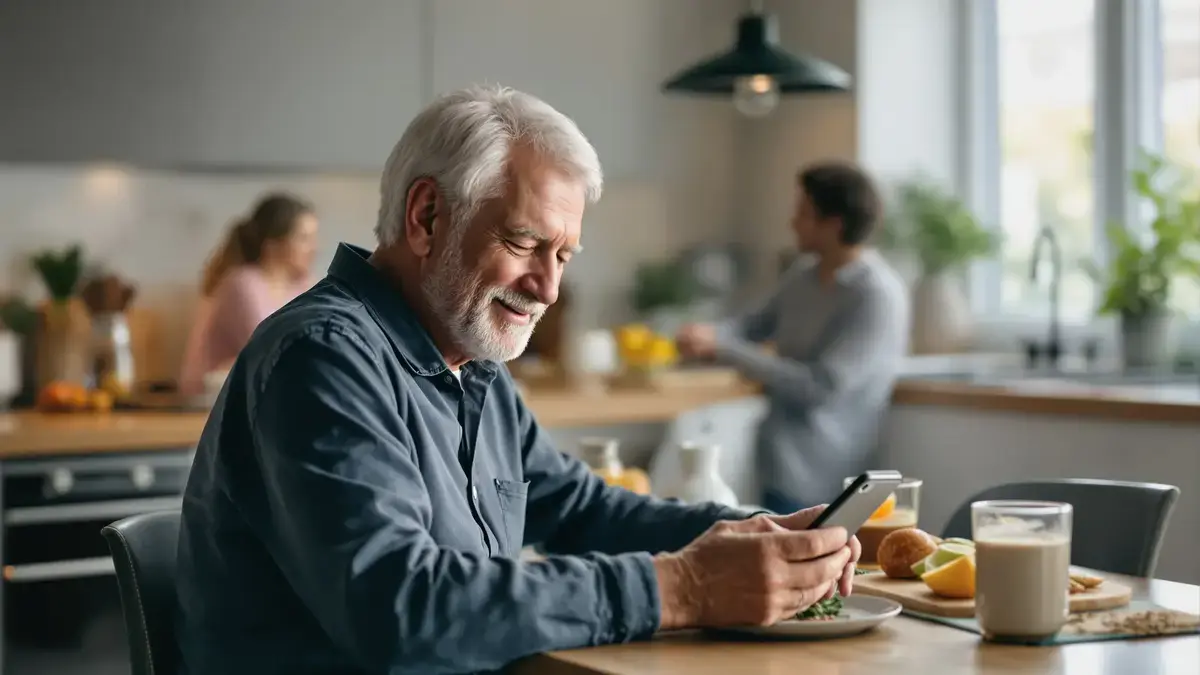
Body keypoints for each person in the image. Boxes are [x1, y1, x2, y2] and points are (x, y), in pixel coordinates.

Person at [174, 86, 861, 675]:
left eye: (564, 255)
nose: (549, 287)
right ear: (426, 217)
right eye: (525, 243)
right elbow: (399, 606)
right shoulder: (321, 357)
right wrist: (684, 586)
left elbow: (584, 509)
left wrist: (756, 534)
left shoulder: (470, 360)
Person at [676, 161, 909, 515]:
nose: (792, 223)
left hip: (832, 478)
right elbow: (753, 325)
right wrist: (707, 335)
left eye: (803, 212)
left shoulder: (877, 296)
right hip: (778, 467)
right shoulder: (803, 276)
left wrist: (723, 348)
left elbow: (819, 388)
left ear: (834, 224)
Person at [178, 193, 318, 395]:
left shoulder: (302, 286)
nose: (315, 248)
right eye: (304, 239)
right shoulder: (242, 285)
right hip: (211, 402)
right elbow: (273, 353)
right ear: (273, 244)